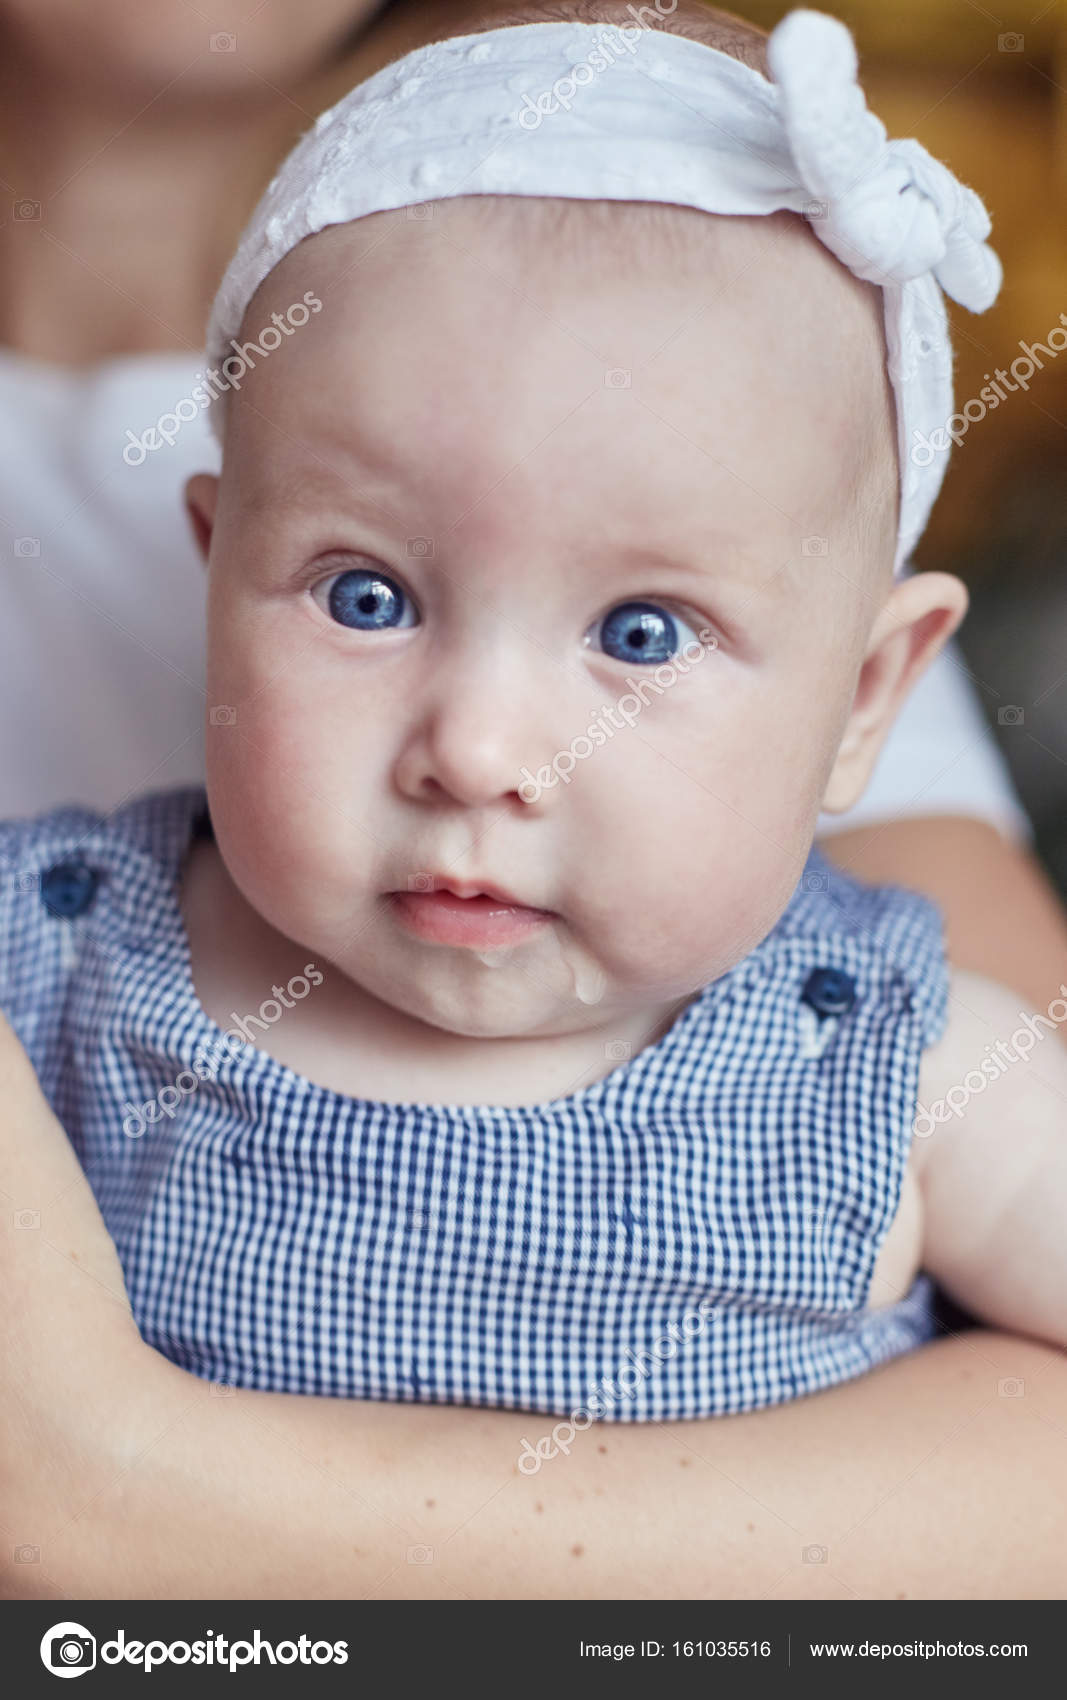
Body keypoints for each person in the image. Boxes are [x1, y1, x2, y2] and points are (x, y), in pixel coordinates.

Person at [2, 0, 1067, 1600]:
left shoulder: (908, 1070)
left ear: (864, 700)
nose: (482, 749)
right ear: (213, 574)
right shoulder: (57, 962)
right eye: (365, 599)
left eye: (641, 634)